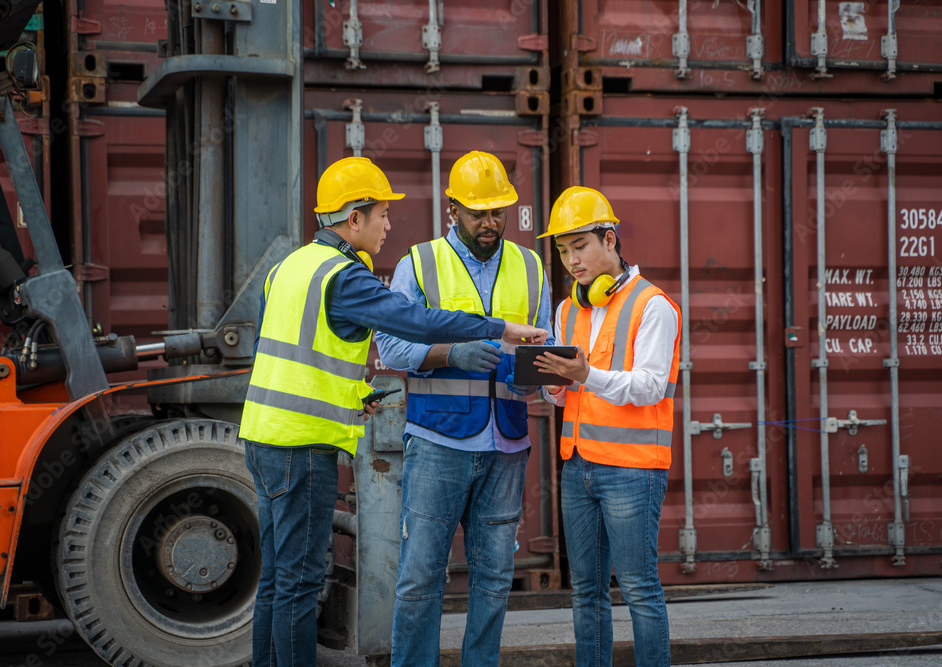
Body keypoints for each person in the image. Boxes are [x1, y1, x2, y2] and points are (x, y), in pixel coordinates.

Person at [238, 156, 547, 667]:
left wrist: (349, 394)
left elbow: (291, 352)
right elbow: (411, 321)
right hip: (304, 443)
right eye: (382, 213)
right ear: (354, 217)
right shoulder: (345, 277)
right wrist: (495, 330)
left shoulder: (288, 267)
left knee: (276, 580)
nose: (389, 224)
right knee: (299, 585)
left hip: (265, 434)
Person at [376, 151, 553, 667]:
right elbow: (390, 350)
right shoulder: (420, 264)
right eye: (478, 212)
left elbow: (544, 344)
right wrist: (448, 354)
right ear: (453, 208)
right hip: (437, 443)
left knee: (495, 580)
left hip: (507, 444)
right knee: (419, 576)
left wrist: (538, 378)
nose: (490, 223)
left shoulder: (531, 265)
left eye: (497, 212)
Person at [533, 186, 682, 667]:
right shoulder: (565, 309)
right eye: (562, 251)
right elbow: (560, 392)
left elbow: (651, 386)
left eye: (580, 247)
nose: (571, 260)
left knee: (639, 589)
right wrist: (552, 385)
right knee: (586, 593)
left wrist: (585, 375)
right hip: (578, 467)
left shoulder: (653, 305)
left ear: (610, 239)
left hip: (633, 471)